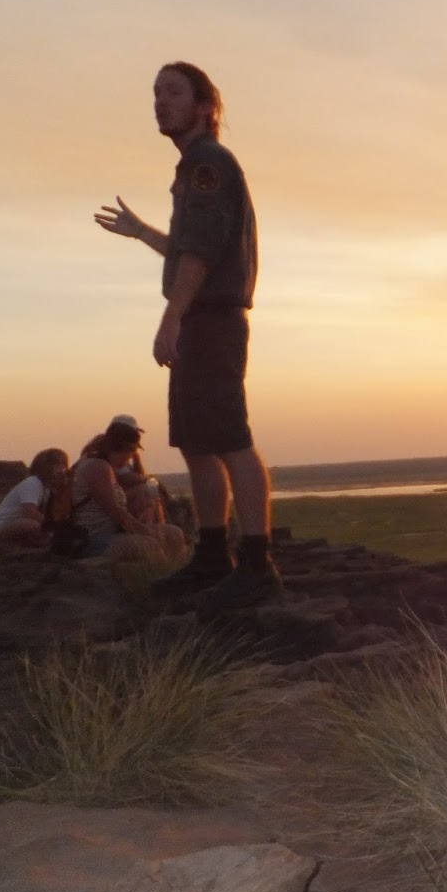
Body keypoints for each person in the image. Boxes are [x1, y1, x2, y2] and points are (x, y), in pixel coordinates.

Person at [94, 62, 280, 611]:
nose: (159, 101)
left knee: (229, 438)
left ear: (206, 107)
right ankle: (212, 554)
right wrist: (142, 232)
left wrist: (171, 317)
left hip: (211, 319)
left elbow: (199, 255)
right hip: (202, 318)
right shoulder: (195, 169)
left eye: (172, 91)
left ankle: (256, 565)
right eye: (154, 93)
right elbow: (187, 245)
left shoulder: (207, 163)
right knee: (197, 442)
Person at [67, 420, 187, 563]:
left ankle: (176, 571)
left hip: (115, 532)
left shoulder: (108, 466)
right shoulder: (97, 467)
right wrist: (144, 531)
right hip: (94, 537)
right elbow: (115, 511)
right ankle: (158, 577)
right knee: (148, 545)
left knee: (174, 534)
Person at [0, 448, 69, 547]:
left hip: (20, 523)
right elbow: (30, 512)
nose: (62, 470)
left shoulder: (47, 489)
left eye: (63, 466)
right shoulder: (33, 482)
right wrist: (54, 525)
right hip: (2, 526)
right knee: (33, 525)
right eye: (57, 465)